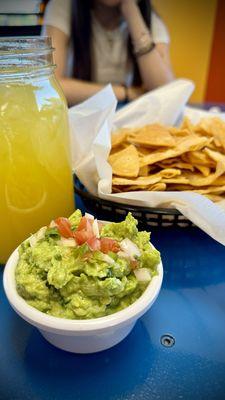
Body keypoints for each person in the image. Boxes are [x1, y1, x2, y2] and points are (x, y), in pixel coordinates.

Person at [42, 0, 174, 105]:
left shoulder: (150, 18)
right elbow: (50, 85)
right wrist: (126, 93)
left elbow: (165, 90)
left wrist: (132, 13)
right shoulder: (62, 6)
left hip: (126, 115)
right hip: (79, 114)